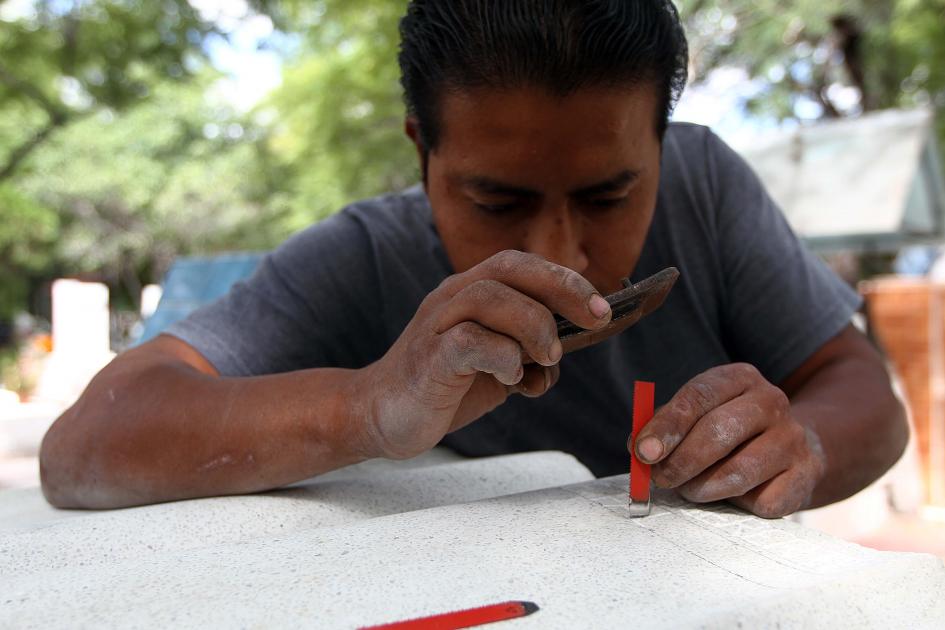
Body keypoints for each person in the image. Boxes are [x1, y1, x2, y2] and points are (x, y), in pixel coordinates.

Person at [40, 0, 907, 517]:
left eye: (608, 197)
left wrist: (804, 445)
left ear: (662, 142)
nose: (560, 255)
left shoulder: (707, 188)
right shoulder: (367, 256)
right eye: (497, 201)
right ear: (423, 152)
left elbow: (860, 387)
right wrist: (369, 406)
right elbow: (85, 446)